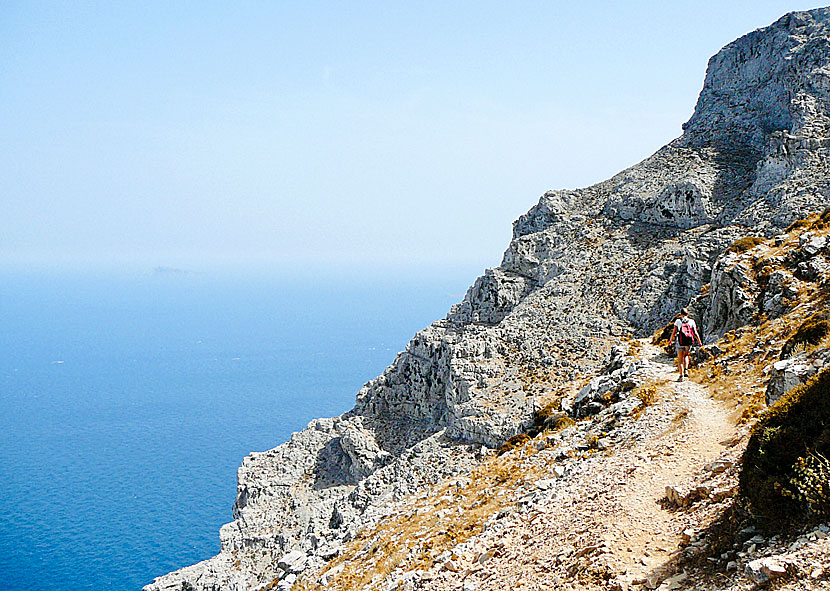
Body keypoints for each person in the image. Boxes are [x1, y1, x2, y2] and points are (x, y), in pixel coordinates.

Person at [668, 308, 703, 382]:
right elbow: (695, 333)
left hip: (680, 342)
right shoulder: (692, 321)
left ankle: (681, 376)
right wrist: (699, 342)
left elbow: (674, 332)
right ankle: (686, 370)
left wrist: (670, 341)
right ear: (688, 314)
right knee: (686, 355)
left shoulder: (678, 321)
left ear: (680, 314)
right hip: (688, 342)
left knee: (680, 360)